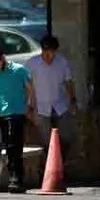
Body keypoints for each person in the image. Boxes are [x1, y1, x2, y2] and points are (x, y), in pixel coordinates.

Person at [0, 46, 35, 193]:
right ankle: (14, 177)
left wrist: (30, 106)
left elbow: (30, 87)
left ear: (2, 58)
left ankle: (16, 179)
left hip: (17, 112)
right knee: (8, 145)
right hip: (2, 114)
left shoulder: (19, 69)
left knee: (14, 145)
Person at [25, 35, 77, 164]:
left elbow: (68, 81)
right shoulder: (32, 63)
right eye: (45, 53)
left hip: (60, 105)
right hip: (41, 107)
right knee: (46, 140)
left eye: (51, 53)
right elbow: (25, 85)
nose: (48, 56)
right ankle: (49, 168)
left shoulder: (62, 61)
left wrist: (72, 100)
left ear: (55, 52)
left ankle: (61, 163)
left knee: (66, 137)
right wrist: (28, 106)